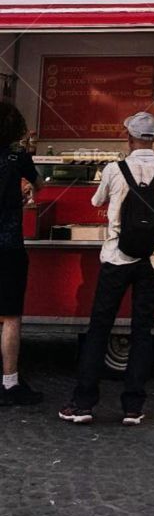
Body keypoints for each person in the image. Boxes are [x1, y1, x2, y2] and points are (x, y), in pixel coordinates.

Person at [59, 112, 154, 426]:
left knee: (99, 328)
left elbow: (95, 201)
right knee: (142, 331)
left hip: (117, 257)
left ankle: (83, 403)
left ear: (129, 138)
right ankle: (133, 407)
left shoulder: (114, 170)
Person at [0, 101, 43, 408]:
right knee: (10, 316)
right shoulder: (18, 155)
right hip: (9, 245)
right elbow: (38, 183)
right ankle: (10, 382)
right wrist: (24, 192)